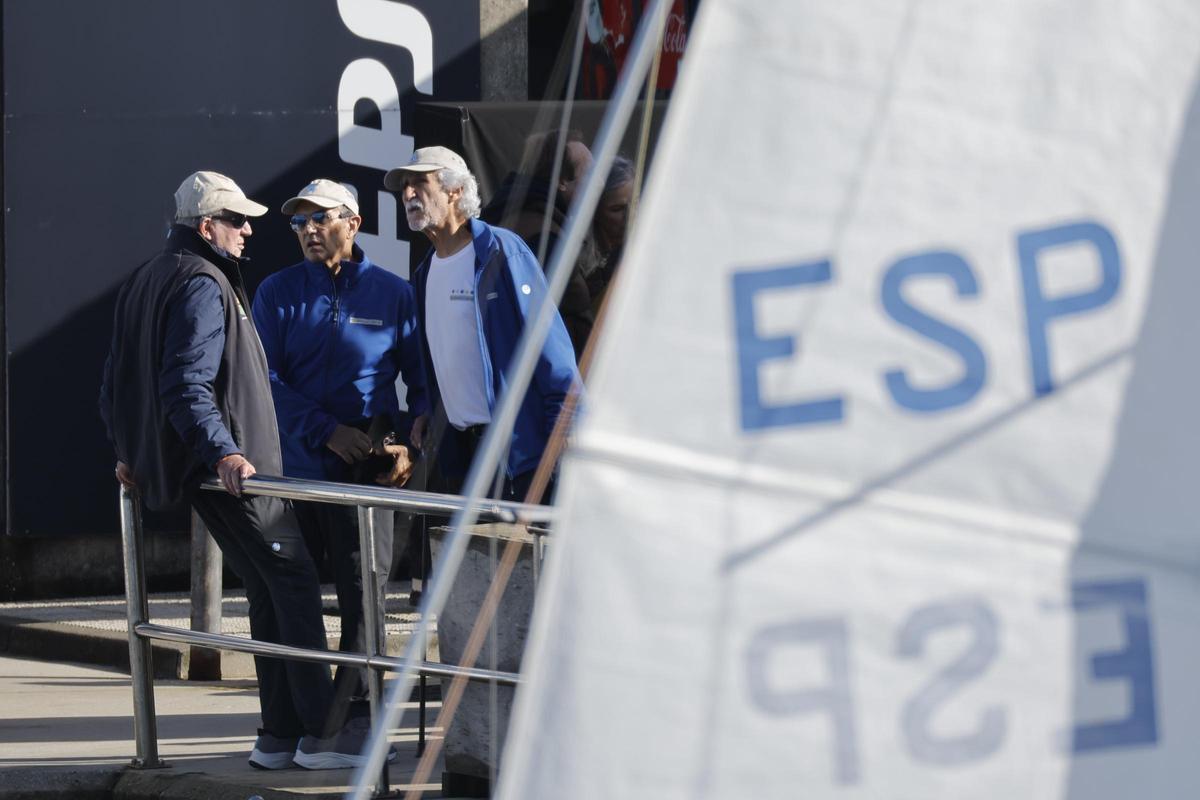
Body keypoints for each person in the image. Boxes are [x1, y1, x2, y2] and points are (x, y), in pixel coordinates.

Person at [98, 171, 386, 771]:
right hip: (236, 472)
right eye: (236, 220)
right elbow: (185, 383)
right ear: (207, 227)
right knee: (293, 583)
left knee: (267, 587)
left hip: (205, 471)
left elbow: (115, 383)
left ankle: (278, 735)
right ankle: (320, 734)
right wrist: (224, 452)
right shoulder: (204, 282)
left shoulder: (149, 276)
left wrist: (130, 449)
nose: (248, 230)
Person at [251, 178, 427, 715]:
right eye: (299, 221)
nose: (308, 230)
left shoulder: (394, 293)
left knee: (363, 599)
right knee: (287, 599)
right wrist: (325, 429)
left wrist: (408, 445)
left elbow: (422, 383)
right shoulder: (276, 291)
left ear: (353, 224)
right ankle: (295, 721)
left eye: (320, 218)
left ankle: (356, 719)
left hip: (366, 470)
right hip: (295, 469)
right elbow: (263, 381)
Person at [383, 147, 579, 504]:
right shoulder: (424, 273)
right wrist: (431, 411)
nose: (408, 194)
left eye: (420, 183)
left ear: (455, 190)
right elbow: (449, 356)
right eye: (404, 186)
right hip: (462, 461)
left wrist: (564, 433)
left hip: (522, 459)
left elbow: (552, 351)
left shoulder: (502, 252)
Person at [481, 129, 603, 360]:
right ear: (561, 181)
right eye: (590, 173)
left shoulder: (526, 220)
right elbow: (553, 322)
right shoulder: (544, 236)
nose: (600, 182)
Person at [588, 154, 636, 315]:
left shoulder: (639, 251)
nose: (629, 216)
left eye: (635, 204)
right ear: (595, 211)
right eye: (617, 209)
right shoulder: (580, 263)